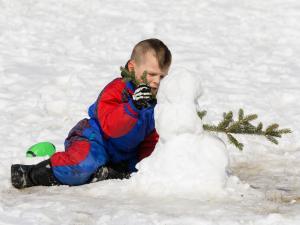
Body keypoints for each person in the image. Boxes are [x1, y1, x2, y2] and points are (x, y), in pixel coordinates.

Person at [11, 38, 172, 189]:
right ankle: (32, 174)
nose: (157, 81)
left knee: (133, 175)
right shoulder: (117, 90)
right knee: (84, 165)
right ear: (132, 67)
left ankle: (106, 172)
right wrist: (133, 107)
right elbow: (111, 127)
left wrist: (147, 165)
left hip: (123, 155)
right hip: (93, 139)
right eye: (151, 74)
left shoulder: (155, 103)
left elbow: (151, 139)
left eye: (162, 77)